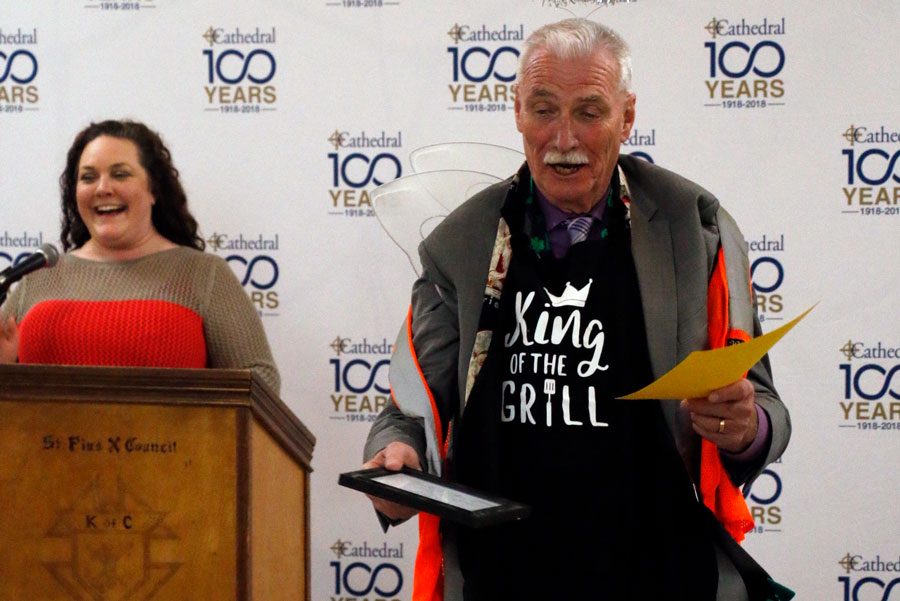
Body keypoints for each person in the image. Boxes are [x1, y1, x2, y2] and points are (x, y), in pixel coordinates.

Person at [363, 19, 791, 601]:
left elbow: (764, 408)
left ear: (627, 117)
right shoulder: (460, 244)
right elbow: (410, 412)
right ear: (516, 111)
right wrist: (396, 457)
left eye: (589, 112)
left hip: (658, 575)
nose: (564, 138)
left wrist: (747, 430)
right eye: (543, 110)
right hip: (502, 579)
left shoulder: (695, 231)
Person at [0, 119, 280, 393]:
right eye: (88, 177)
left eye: (120, 174)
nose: (102, 188)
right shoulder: (37, 276)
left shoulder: (204, 274)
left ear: (154, 189)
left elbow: (260, 381)